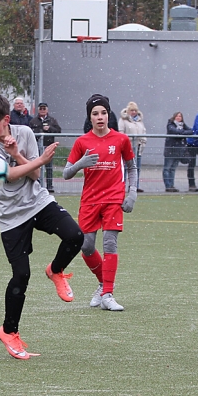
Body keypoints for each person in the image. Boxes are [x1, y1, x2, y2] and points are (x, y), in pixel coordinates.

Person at [0, 94, 84, 360]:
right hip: (11, 215)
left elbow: (34, 175)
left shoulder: (24, 133)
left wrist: (16, 154)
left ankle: (55, 270)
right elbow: (9, 176)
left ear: (5, 120)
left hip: (38, 202)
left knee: (75, 236)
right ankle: (8, 331)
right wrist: (40, 160)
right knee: (21, 275)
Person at [64, 94, 137, 311]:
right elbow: (67, 173)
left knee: (109, 243)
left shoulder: (121, 139)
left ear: (108, 115)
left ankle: (108, 294)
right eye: (95, 113)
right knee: (86, 246)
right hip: (90, 200)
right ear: (90, 117)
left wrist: (132, 193)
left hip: (113, 198)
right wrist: (80, 163)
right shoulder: (82, 142)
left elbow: (132, 167)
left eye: (103, 113)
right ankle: (102, 284)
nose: (100, 117)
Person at [29, 102, 62, 193]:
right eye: (41, 108)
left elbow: (58, 131)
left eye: (44, 108)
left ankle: (49, 185)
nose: (42, 110)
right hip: (37, 146)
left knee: (49, 167)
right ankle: (37, 184)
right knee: (37, 165)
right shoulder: (33, 121)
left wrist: (49, 128)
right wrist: (40, 130)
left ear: (47, 110)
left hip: (48, 146)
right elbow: (31, 132)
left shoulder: (52, 120)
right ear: (38, 110)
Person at [118, 102, 146, 193]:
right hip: (128, 147)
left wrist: (143, 142)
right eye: (132, 110)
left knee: (137, 167)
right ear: (128, 111)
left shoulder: (139, 121)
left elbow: (143, 132)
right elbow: (121, 132)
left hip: (138, 147)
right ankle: (122, 186)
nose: (134, 112)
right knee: (126, 167)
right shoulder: (123, 120)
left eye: (135, 110)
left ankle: (134, 186)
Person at [163, 111, 194, 191]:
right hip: (170, 150)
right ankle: (168, 186)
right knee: (167, 168)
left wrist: (182, 133)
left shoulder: (182, 125)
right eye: (177, 116)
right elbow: (174, 132)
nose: (178, 117)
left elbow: (191, 131)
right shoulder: (170, 124)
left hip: (179, 151)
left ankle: (171, 186)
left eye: (180, 116)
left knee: (173, 169)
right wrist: (183, 133)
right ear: (174, 117)